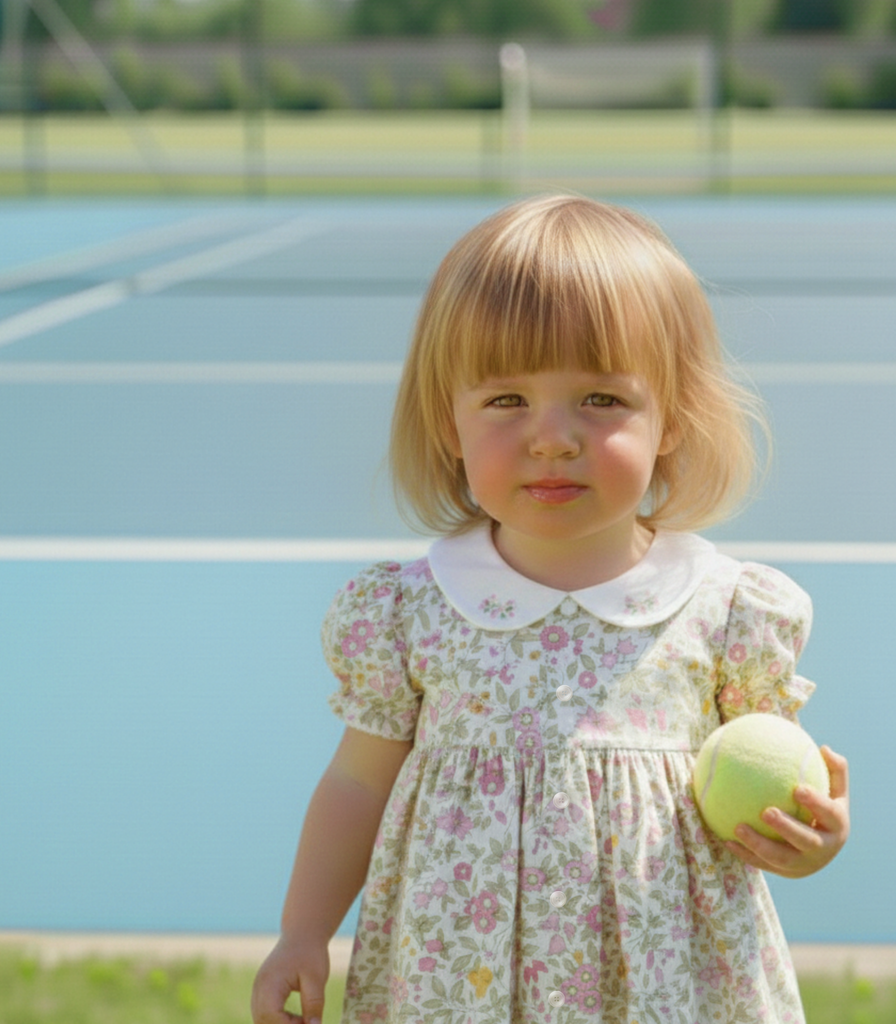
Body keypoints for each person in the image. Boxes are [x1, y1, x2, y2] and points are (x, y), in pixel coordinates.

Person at [251, 194, 850, 1024]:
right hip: (460, 986)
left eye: (601, 400)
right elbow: (357, 782)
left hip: (666, 992)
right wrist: (303, 932)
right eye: (506, 402)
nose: (553, 438)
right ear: (448, 424)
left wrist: (810, 842)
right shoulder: (410, 612)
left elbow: (764, 803)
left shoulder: (726, 612)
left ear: (671, 415)